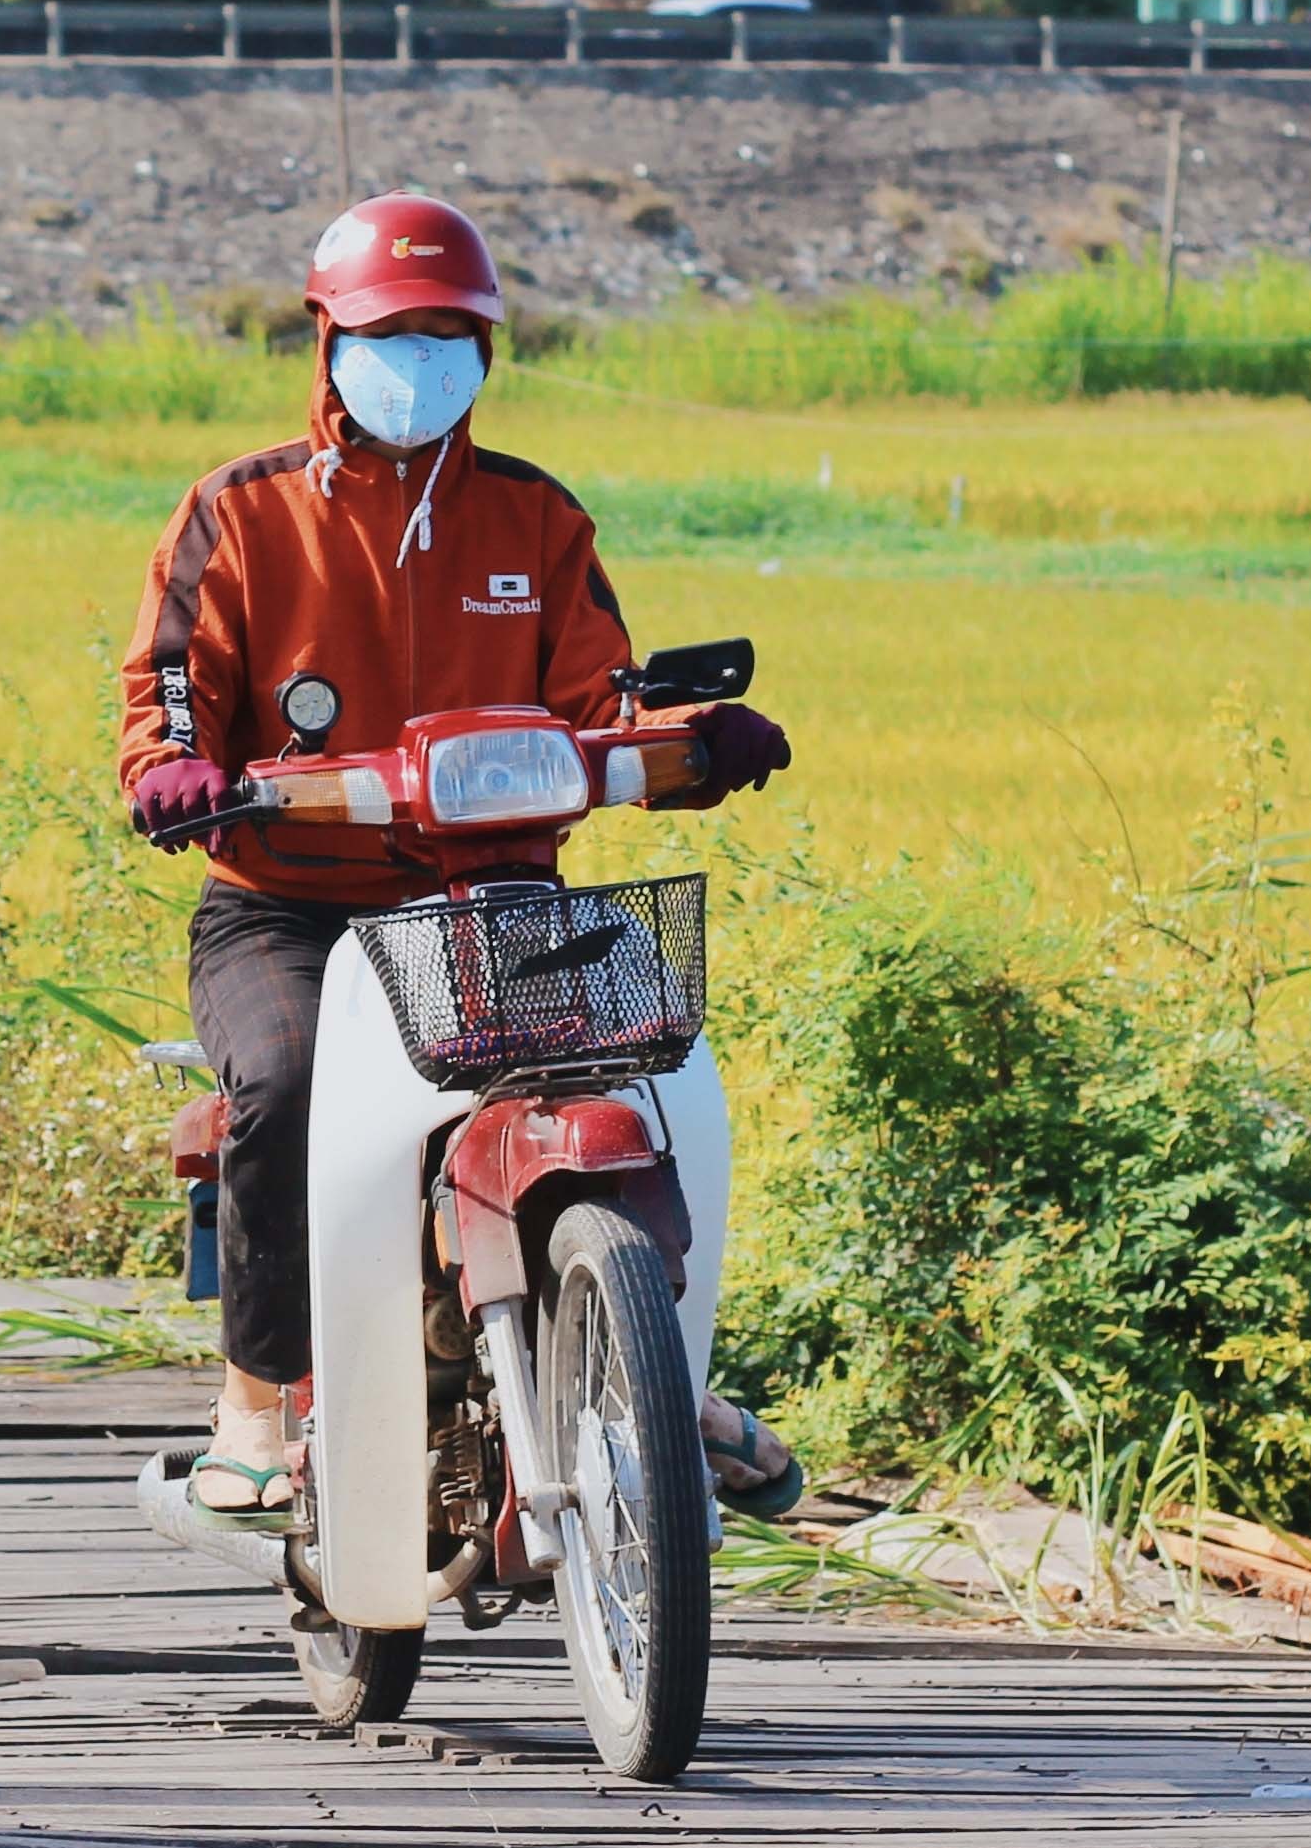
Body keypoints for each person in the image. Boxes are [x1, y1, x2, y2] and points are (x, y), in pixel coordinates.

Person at [118, 190, 801, 1523]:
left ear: (485, 352)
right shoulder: (241, 515)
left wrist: (689, 741)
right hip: (289, 909)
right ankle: (258, 1393)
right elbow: (167, 693)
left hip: (494, 900)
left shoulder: (533, 521)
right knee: (288, 1079)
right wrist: (178, 772)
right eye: (390, 331)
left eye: (448, 334)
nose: (417, 361)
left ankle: (663, 1371)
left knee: (648, 1086)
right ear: (327, 341)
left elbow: (603, 701)